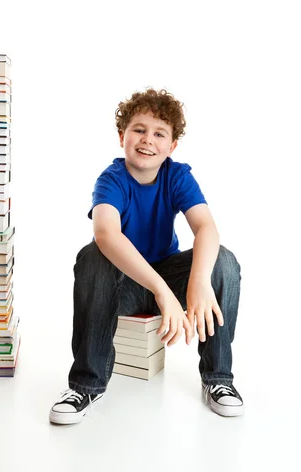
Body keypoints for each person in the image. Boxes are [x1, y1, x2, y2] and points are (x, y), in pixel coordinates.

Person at [49, 88, 243, 424]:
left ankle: (219, 379)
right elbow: (106, 233)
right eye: (139, 130)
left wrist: (196, 280)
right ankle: (85, 385)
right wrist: (161, 291)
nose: (147, 140)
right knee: (92, 256)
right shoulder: (111, 179)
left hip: (168, 274)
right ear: (122, 135)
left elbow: (206, 228)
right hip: (123, 284)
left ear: (172, 146)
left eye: (159, 133)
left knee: (223, 260)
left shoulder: (177, 175)